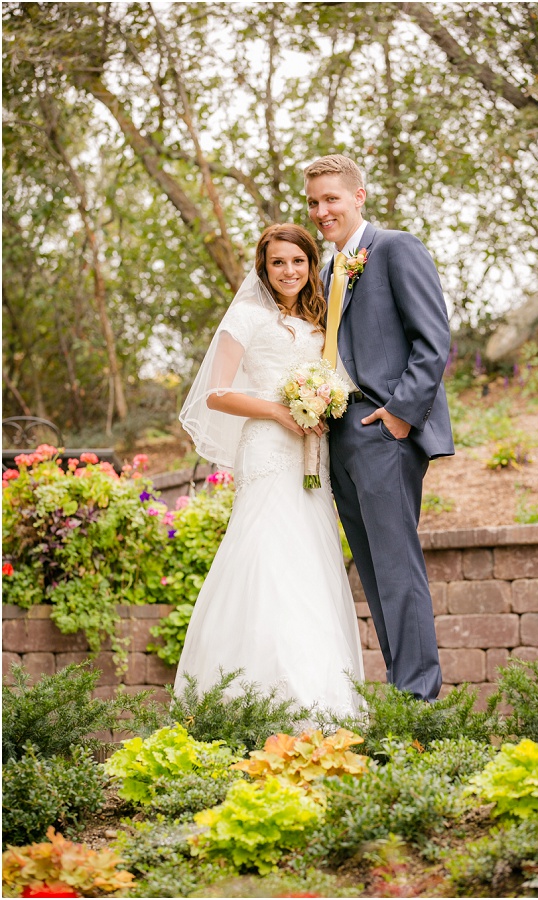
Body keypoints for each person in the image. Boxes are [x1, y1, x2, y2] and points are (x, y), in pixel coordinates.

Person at [176, 224, 364, 717]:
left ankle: (321, 700)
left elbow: (336, 377)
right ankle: (248, 696)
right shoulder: (245, 317)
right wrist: (279, 410)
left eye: (298, 262)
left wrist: (323, 402)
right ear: (264, 267)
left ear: (310, 265)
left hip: (311, 456)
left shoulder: (321, 322)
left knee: (310, 563)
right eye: (278, 262)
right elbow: (216, 393)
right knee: (265, 556)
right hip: (266, 450)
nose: (289, 271)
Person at [304, 154, 454, 702]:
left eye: (332, 199)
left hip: (383, 430)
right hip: (340, 432)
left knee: (397, 569)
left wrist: (397, 416)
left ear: (359, 196)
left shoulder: (396, 248)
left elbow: (433, 341)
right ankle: (401, 694)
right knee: (371, 573)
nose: (322, 211)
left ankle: (420, 699)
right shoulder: (325, 270)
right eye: (314, 202)